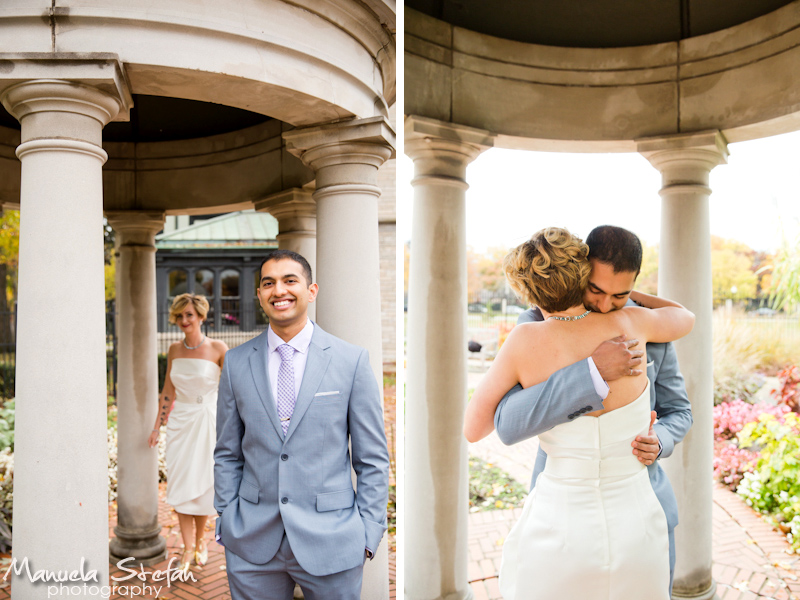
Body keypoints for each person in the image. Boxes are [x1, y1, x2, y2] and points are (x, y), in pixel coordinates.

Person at [463, 227, 695, 600]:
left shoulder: (525, 342)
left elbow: (474, 429)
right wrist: (591, 371)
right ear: (582, 273)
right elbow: (684, 316)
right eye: (598, 291)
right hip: (634, 522)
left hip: (567, 525)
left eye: (620, 294)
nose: (607, 304)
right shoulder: (636, 325)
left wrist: (660, 439)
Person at [214, 249, 389, 600]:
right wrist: (227, 519)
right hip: (251, 544)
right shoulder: (235, 363)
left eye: (290, 280)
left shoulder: (351, 361)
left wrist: (368, 533)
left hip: (334, 541)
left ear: (311, 291)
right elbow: (227, 453)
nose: (279, 290)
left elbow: (372, 459)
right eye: (269, 283)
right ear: (260, 294)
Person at [148, 293, 229, 570]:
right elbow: (168, 391)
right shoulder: (173, 350)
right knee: (182, 484)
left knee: (204, 485)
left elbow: (231, 392)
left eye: (189, 315)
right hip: (180, 423)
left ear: (201, 317)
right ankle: (187, 548)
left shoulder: (219, 348)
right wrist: (157, 426)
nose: (184, 320)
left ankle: (202, 542)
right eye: (180, 316)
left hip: (209, 421)